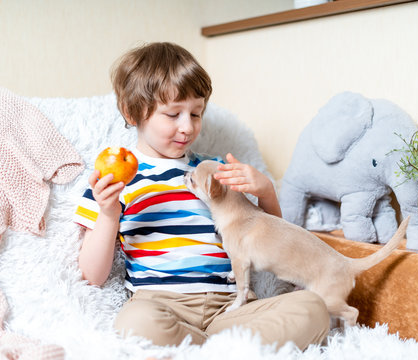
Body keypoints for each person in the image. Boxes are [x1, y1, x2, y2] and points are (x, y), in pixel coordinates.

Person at [73, 42, 330, 350]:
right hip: (162, 306)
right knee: (132, 324)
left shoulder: (215, 171)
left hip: (230, 307)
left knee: (312, 308)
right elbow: (91, 276)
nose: (187, 127)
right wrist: (109, 214)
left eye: (196, 113)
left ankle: (210, 349)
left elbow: (269, 244)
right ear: (133, 113)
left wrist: (266, 193)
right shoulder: (113, 182)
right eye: (172, 114)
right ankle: (226, 351)